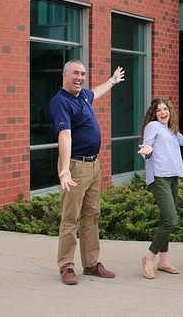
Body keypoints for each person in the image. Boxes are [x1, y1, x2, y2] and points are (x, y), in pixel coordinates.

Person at [48, 60, 124, 285]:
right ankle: (66, 267)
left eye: (82, 74)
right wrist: (64, 170)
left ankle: (91, 264)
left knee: (91, 216)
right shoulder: (60, 102)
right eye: (75, 73)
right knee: (70, 219)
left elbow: (95, 93)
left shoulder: (82, 96)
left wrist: (112, 81)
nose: (80, 78)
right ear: (64, 75)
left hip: (93, 165)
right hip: (75, 167)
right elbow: (64, 135)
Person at [137, 98, 183, 280]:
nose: (163, 113)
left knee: (165, 219)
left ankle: (163, 261)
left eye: (166, 109)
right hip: (159, 177)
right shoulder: (153, 126)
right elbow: (147, 147)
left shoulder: (171, 130)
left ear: (170, 111)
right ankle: (149, 257)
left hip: (172, 177)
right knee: (171, 220)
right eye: (159, 110)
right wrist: (147, 151)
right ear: (154, 114)